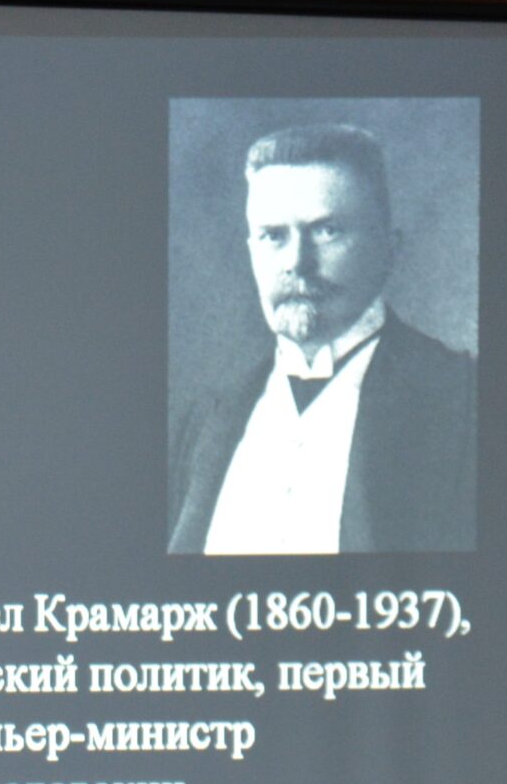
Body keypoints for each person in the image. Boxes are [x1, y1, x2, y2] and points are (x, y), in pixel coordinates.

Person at [167, 124, 475, 555]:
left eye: (327, 231)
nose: (298, 262)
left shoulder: (465, 399)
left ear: (388, 249)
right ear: (252, 250)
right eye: (273, 236)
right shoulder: (205, 422)